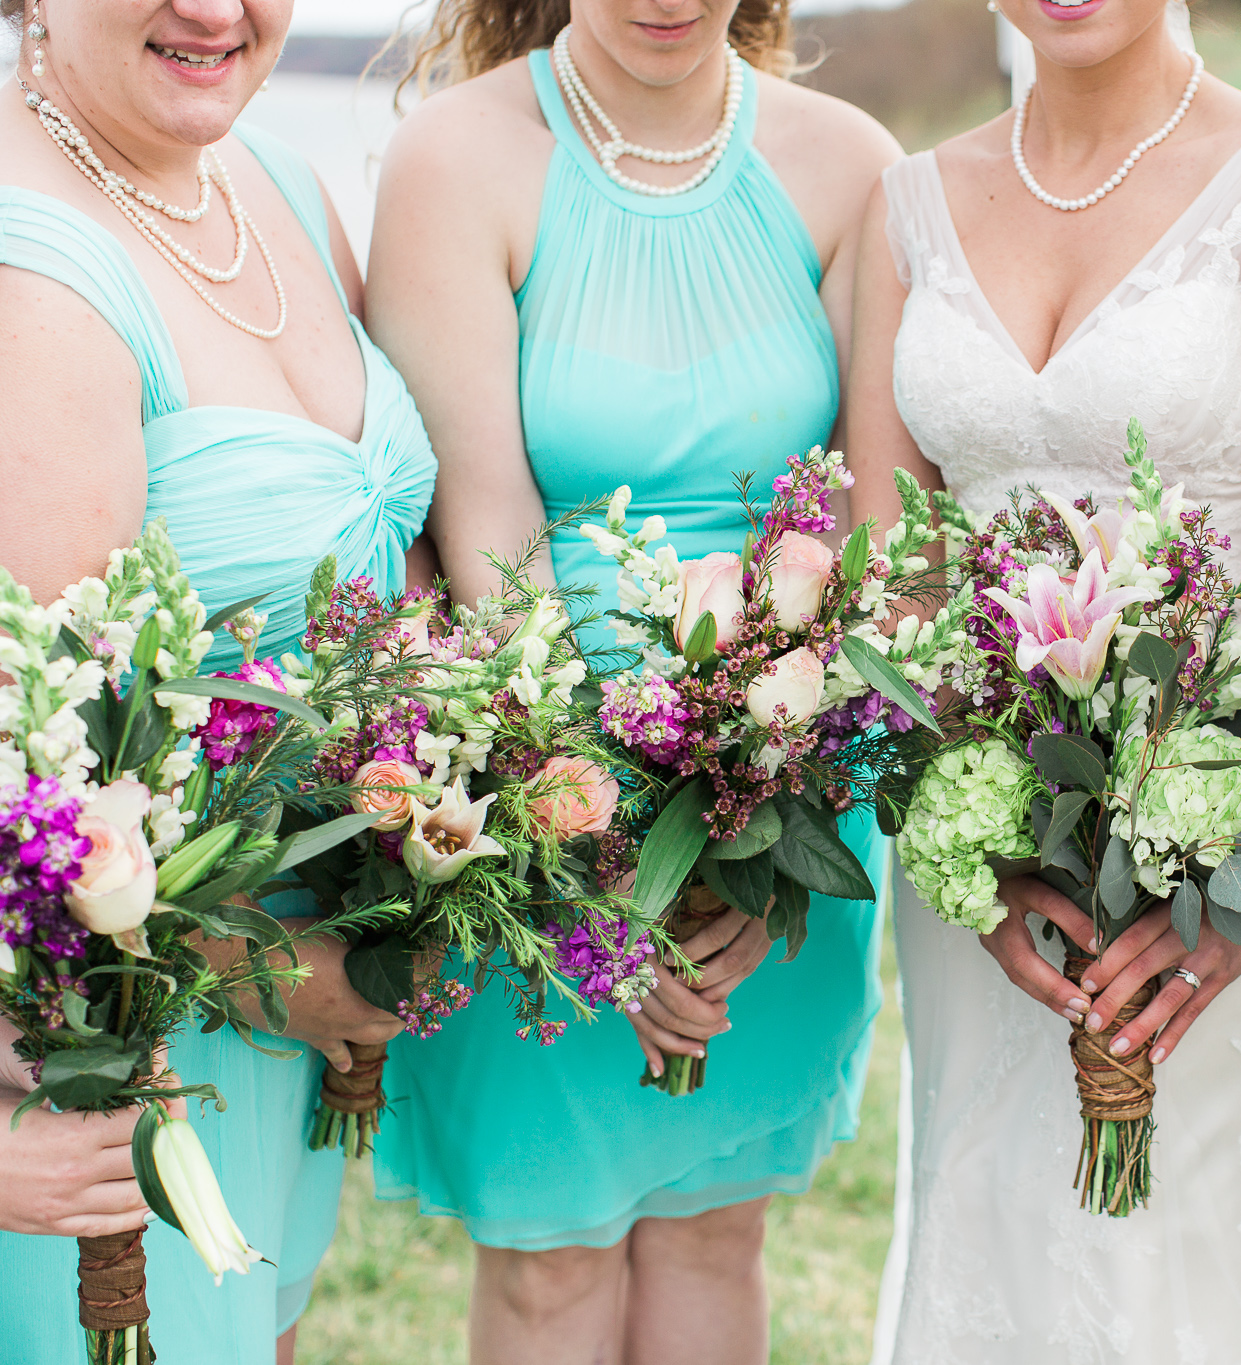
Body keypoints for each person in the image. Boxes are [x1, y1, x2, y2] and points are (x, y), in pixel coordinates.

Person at [846, 3, 1241, 1361]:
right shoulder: (905, 204)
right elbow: (892, 585)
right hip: (993, 871)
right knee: (1005, 1227)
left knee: (1197, 1259)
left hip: (1240, 839)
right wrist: (977, 856)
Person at [361, 1, 897, 1361]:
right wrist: (610, 865)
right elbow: (484, 538)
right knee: (550, 1260)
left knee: (720, 1233)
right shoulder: (455, 162)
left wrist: (752, 814)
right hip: (537, 799)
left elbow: (868, 526)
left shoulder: (847, 167)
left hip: (788, 801)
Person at [0, 0, 436, 1360]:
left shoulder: (288, 186)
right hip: (121, 1047)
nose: (213, 9)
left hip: (278, 1003)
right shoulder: (32, 272)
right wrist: (295, 980)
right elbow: (47, 799)